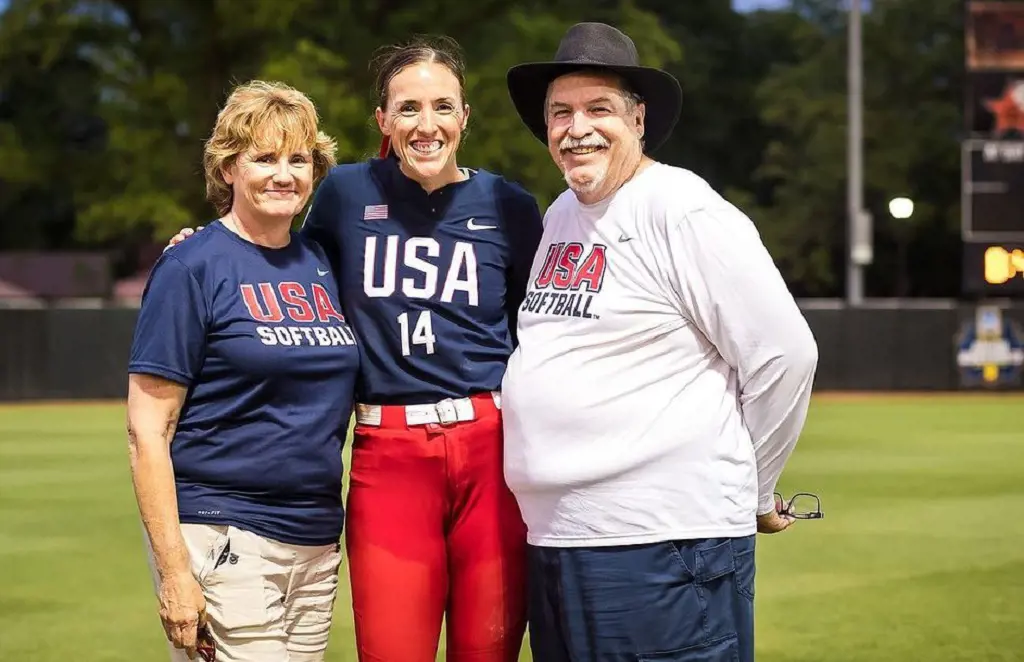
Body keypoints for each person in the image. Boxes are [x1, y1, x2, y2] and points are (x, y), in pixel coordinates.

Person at [166, 36, 544, 662]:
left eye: (443, 107)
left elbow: (541, 327)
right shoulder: (342, 194)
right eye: (408, 108)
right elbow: (277, 251)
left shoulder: (509, 204)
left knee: (489, 650)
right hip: (388, 454)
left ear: (465, 116)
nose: (427, 125)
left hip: (491, 448)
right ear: (383, 120)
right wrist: (203, 244)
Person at [500, 22, 820, 662]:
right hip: (562, 539)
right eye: (560, 112)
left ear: (638, 119)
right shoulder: (562, 213)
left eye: (599, 109)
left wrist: (751, 490)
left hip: (663, 545)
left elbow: (786, 354)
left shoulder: (681, 208)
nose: (577, 127)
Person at [127, 80, 359, 662]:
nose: (284, 174)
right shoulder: (191, 266)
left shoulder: (323, 262)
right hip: (221, 534)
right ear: (228, 167)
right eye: (264, 157)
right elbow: (146, 431)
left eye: (298, 159)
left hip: (315, 543)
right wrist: (174, 572)